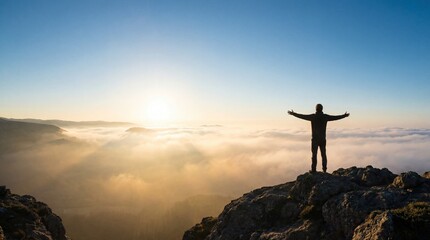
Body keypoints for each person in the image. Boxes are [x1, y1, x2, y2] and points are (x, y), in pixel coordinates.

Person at [288, 104, 349, 173]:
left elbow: (302, 116)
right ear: (322, 109)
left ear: (316, 109)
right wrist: (344, 116)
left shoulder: (313, 117)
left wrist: (294, 114)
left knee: (314, 155)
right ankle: (324, 169)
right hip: (322, 139)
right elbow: (335, 117)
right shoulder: (325, 117)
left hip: (315, 139)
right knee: (323, 154)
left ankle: (313, 170)